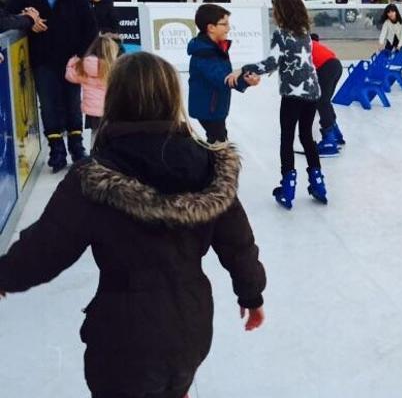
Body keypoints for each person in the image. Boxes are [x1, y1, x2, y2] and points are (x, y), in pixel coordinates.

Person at [0, 51, 267, 397]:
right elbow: (238, 243)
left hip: (123, 336)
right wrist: (252, 293)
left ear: (115, 99)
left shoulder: (94, 176)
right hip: (191, 324)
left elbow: (47, 247)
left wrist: (6, 273)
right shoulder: (208, 166)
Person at [6, 0, 98, 172]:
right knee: (48, 107)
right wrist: (26, 22)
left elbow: (91, 29)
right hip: (42, 61)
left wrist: (82, 57)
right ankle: (57, 151)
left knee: (73, 106)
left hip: (71, 63)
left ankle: (77, 148)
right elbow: (6, 17)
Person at [241, 0, 327, 209]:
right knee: (307, 136)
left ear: (280, 10)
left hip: (293, 94)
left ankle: (287, 188)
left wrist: (247, 69)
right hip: (312, 92)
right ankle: (318, 183)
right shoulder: (305, 31)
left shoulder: (281, 33)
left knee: (287, 138)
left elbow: (272, 62)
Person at [187, 4, 260, 144]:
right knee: (218, 143)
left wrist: (245, 78)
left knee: (218, 139)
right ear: (211, 28)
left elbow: (225, 75)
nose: (228, 28)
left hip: (215, 107)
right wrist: (245, 81)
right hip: (209, 109)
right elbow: (221, 77)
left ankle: (216, 163)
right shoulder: (205, 54)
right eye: (224, 24)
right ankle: (217, 165)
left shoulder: (215, 48)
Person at [65, 34, 120, 143]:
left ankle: (94, 154)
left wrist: (72, 62)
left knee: (95, 134)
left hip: (92, 111)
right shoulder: (113, 67)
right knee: (110, 134)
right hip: (109, 109)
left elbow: (69, 76)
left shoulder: (84, 65)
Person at [310, 33, 346, 158]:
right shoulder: (314, 44)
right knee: (325, 101)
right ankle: (336, 135)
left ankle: (329, 142)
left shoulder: (302, 47)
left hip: (327, 67)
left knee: (322, 102)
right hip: (336, 66)